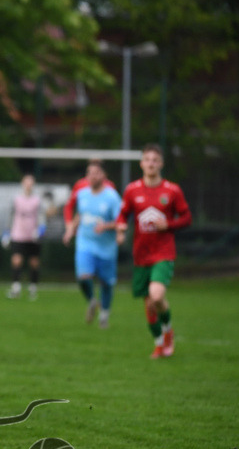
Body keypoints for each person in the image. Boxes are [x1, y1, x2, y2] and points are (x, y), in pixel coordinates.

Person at [116, 144, 192, 358]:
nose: (151, 163)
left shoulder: (172, 190)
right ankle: (159, 343)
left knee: (156, 296)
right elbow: (123, 214)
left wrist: (168, 224)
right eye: (147, 159)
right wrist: (121, 228)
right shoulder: (132, 190)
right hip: (141, 254)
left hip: (164, 252)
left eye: (155, 160)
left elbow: (187, 218)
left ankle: (168, 332)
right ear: (141, 163)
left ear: (161, 164)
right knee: (149, 304)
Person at [63, 161, 122, 328]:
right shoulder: (82, 194)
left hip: (106, 247)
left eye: (96, 173)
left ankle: (104, 315)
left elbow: (121, 220)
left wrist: (109, 227)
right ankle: (92, 301)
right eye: (89, 173)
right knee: (83, 277)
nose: (92, 176)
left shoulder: (112, 197)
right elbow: (80, 215)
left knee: (106, 283)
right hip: (85, 242)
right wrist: (70, 231)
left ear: (103, 176)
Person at [5, 173, 48, 301]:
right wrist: (7, 232)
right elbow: (11, 215)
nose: (28, 185)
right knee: (17, 260)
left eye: (31, 183)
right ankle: (16, 287)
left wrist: (40, 229)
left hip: (33, 236)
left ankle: (33, 288)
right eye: (26, 182)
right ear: (23, 184)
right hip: (18, 234)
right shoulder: (16, 199)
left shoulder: (37, 200)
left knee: (34, 262)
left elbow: (42, 216)